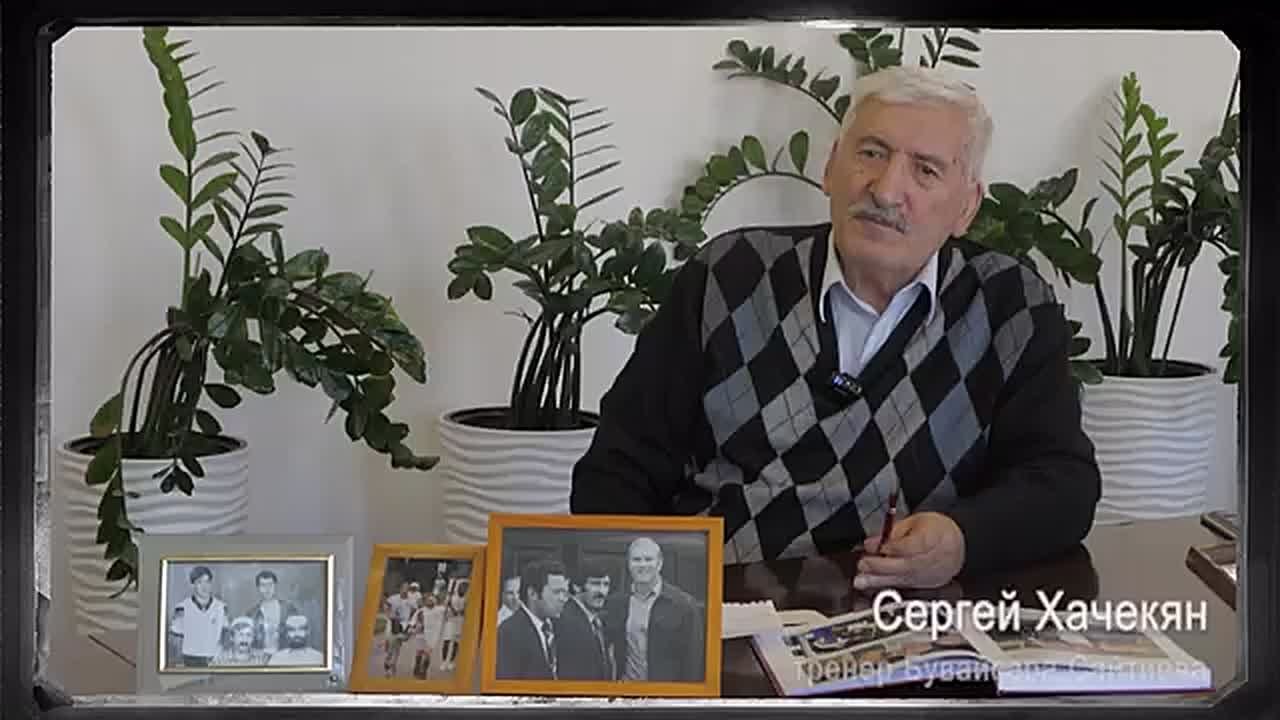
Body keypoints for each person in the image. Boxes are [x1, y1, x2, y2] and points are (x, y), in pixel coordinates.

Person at [570, 64, 1101, 590]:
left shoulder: (1009, 305)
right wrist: (651, 602)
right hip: (718, 605)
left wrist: (962, 538)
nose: (886, 190)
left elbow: (1063, 483)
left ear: (966, 207)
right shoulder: (728, 277)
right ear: (830, 168)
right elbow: (617, 470)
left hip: (897, 615)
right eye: (871, 153)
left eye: (925, 170)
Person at [602, 537, 703, 682]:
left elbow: (693, 661)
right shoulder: (616, 603)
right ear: (628, 564)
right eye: (636, 560)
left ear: (659, 563)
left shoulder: (684, 605)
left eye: (648, 559)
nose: (642, 565)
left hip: (664, 693)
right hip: (626, 690)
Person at [495, 558, 570, 680]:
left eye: (565, 593)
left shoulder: (561, 626)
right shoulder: (508, 633)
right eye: (557, 592)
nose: (563, 599)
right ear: (533, 593)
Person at [555, 558, 615, 681]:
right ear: (577, 587)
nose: (602, 591)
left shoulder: (598, 621)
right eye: (595, 584)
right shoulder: (566, 620)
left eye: (606, 584)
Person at [171, 565, 229, 667]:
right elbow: (176, 639)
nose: (204, 586)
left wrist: (221, 652)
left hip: (215, 659)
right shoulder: (182, 608)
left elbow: (226, 635)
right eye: (199, 582)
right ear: (192, 585)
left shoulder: (221, 607)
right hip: (190, 659)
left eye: (207, 582)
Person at [246, 570, 299, 655]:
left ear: (275, 586)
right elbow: (248, 639)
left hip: (286, 655)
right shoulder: (252, 613)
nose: (267, 589)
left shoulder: (288, 609)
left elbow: (298, 633)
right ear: (258, 588)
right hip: (261, 657)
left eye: (270, 585)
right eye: (263, 585)